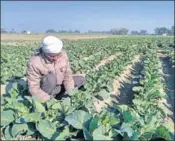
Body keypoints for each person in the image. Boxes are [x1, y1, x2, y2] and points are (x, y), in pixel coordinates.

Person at [26, 36, 85, 102]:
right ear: (45, 52)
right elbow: (33, 88)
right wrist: (50, 101)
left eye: (58, 55)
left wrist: (71, 93)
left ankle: (59, 95)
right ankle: (49, 99)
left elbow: (67, 77)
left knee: (80, 79)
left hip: (58, 87)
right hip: (44, 90)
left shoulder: (63, 56)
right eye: (52, 56)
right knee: (51, 78)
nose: (55, 58)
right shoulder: (34, 62)